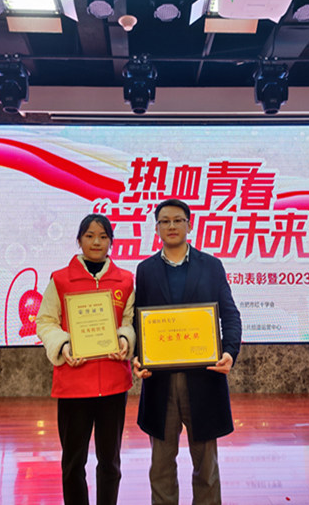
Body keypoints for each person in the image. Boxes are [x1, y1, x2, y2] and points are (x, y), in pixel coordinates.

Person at [133, 199, 242, 505]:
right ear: (156, 228)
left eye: (178, 220)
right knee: (161, 465)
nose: (171, 226)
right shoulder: (145, 270)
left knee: (206, 466)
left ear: (189, 225)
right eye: (164, 221)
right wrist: (137, 356)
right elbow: (138, 320)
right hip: (160, 381)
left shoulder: (211, 266)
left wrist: (229, 351)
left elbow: (230, 315)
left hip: (204, 379)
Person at [36, 213, 135, 505]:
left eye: (103, 237)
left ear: (111, 242)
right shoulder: (60, 279)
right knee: (73, 462)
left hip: (113, 385)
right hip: (74, 383)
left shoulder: (125, 280)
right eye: (89, 236)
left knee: (110, 462)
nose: (96, 242)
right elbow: (46, 321)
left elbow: (129, 322)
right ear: (79, 240)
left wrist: (124, 339)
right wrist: (64, 344)